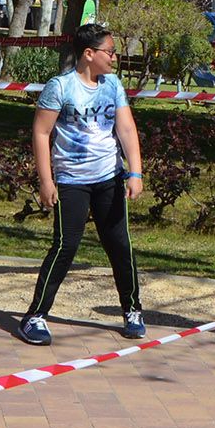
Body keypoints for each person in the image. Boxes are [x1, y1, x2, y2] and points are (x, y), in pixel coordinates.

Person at [17, 21, 146, 346]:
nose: (115, 58)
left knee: (119, 245)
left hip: (109, 178)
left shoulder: (113, 85)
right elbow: (41, 133)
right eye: (110, 52)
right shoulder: (60, 87)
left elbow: (127, 129)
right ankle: (35, 317)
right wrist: (46, 181)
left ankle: (133, 311)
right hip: (72, 181)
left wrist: (135, 172)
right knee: (65, 247)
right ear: (89, 54)